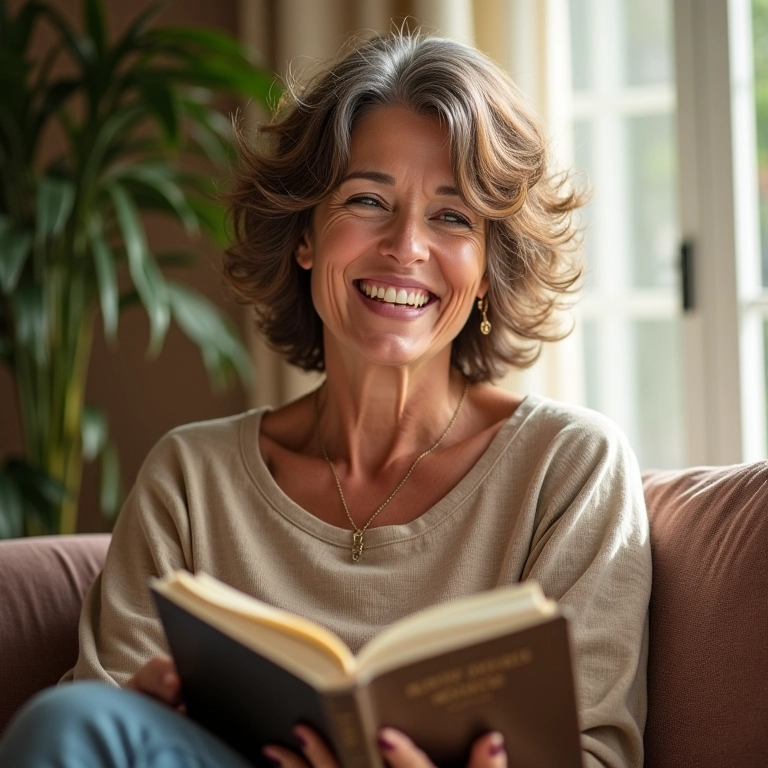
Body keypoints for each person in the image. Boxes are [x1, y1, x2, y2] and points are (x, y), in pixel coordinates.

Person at [0, 30, 651, 768]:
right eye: (368, 200)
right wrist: (143, 707)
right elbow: (97, 721)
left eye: (451, 216)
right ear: (305, 234)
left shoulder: (568, 466)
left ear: (488, 269)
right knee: (65, 723)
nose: (406, 247)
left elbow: (598, 751)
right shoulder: (191, 478)